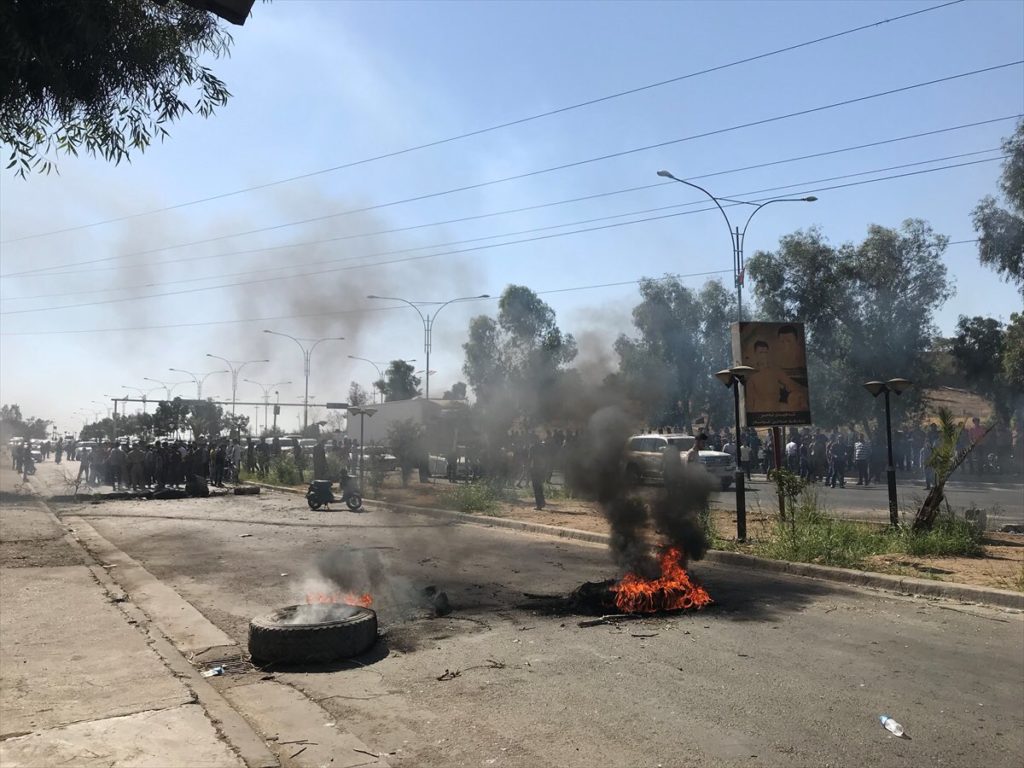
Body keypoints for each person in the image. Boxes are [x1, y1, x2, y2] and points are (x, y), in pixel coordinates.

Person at [744, 340, 810, 414]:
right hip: (759, 412)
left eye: (765, 352)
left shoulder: (775, 370)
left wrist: (801, 395)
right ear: (755, 354)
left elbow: (791, 384)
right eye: (761, 353)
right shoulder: (751, 374)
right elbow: (750, 400)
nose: (763, 355)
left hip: (776, 409)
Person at [529, 437, 547, 510]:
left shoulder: (532, 448)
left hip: (535, 468)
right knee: (540, 486)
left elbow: (530, 458)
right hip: (541, 468)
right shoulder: (542, 447)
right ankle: (542, 502)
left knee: (536, 487)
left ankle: (539, 505)